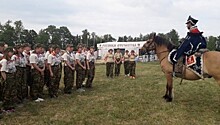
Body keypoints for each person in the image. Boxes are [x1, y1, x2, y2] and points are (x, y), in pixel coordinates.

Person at [1, 47, 17, 112]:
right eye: (11, 52)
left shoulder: (10, 60)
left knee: (11, 91)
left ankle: (10, 105)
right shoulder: (4, 61)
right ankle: (5, 107)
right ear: (7, 52)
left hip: (12, 76)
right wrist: (5, 80)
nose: (12, 53)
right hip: (7, 77)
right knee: (7, 92)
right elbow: (2, 71)